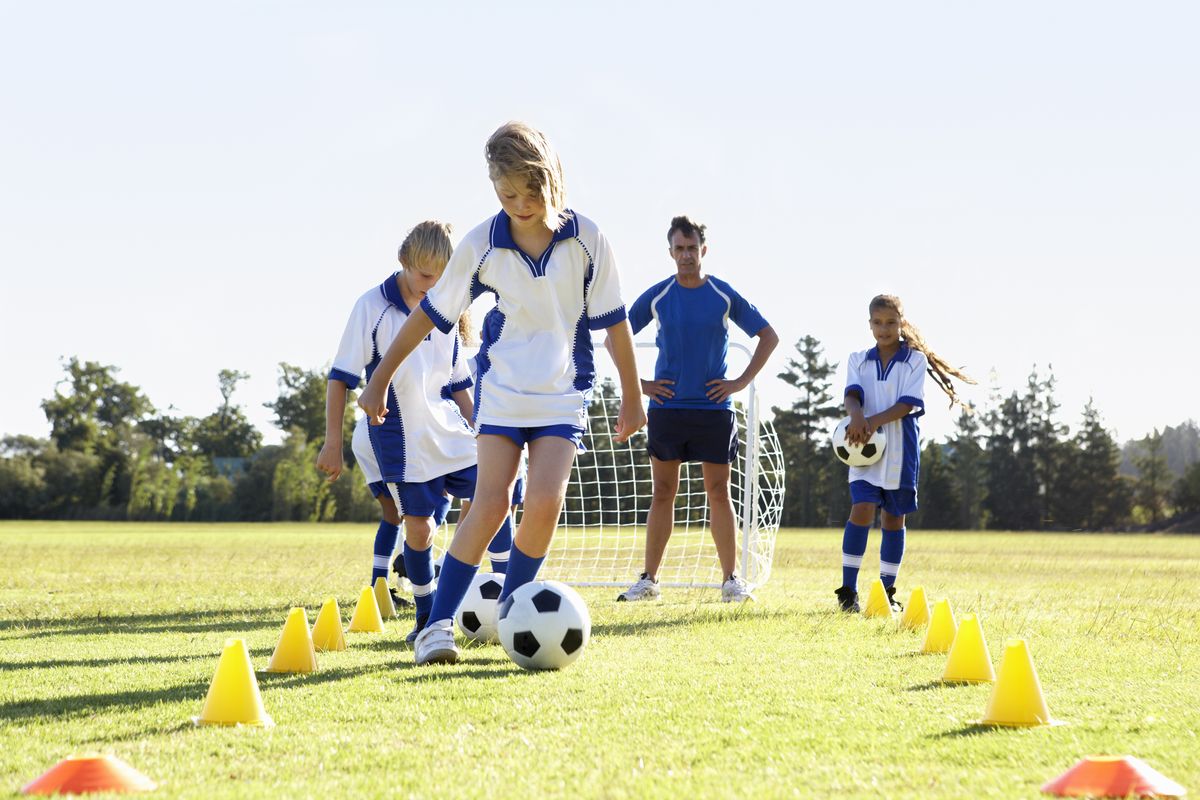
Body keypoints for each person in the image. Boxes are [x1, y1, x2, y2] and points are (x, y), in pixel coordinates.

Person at [358, 121, 645, 665]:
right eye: (506, 193)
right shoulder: (481, 244)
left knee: (544, 502)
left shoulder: (588, 238)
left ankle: (515, 613)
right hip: (504, 390)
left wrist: (633, 397)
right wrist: (378, 379)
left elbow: (615, 322)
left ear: (552, 181)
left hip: (562, 393)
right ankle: (435, 628)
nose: (520, 204)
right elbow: (430, 315)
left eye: (530, 192)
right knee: (490, 504)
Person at [316, 220, 479, 642]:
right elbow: (340, 378)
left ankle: (503, 596)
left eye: (441, 276)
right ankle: (426, 618)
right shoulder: (371, 307)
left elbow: (459, 382)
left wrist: (480, 427)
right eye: (425, 275)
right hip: (403, 441)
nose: (433, 284)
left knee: (493, 498)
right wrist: (332, 442)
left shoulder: (448, 305)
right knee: (420, 530)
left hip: (452, 432)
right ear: (404, 262)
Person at [616, 216, 779, 604]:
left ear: (703, 250)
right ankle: (649, 581)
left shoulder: (722, 294)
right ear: (670, 252)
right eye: (679, 249)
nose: (686, 255)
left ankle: (731, 581)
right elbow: (615, 337)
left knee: (719, 493)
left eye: (692, 248)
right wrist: (639, 387)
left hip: (713, 411)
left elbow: (769, 336)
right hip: (666, 411)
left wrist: (739, 382)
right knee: (662, 493)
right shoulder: (658, 296)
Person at [835, 294, 975, 613]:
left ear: (902, 322)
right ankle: (847, 593)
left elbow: (908, 404)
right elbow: (852, 394)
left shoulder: (914, 360)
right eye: (877, 323)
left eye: (891, 322)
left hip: (901, 451)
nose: (884, 329)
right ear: (869, 324)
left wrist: (870, 421)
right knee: (862, 508)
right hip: (864, 450)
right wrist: (857, 417)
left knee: (893, 519)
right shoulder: (858, 359)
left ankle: (886, 594)